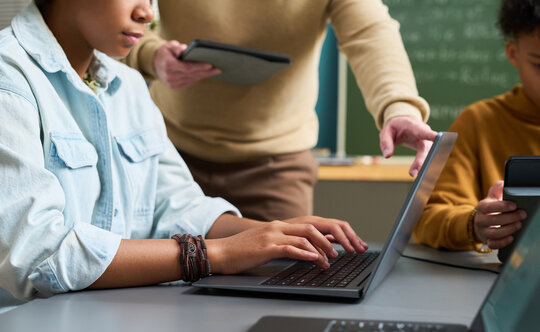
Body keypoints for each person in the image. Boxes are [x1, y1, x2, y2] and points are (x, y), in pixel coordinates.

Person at [0, 0, 367, 302]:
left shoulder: (127, 84)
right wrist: (218, 253)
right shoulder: (9, 79)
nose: (148, 13)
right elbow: (38, 255)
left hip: (116, 316)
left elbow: (175, 205)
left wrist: (273, 236)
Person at [124, 0, 437, 221]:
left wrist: (399, 108)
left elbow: (370, 33)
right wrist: (150, 55)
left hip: (276, 170)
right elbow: (114, 17)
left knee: (281, 289)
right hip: (169, 156)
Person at [413, 0, 540, 253]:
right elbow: (427, 219)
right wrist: (473, 225)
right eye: (539, 65)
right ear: (513, 53)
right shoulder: (479, 121)